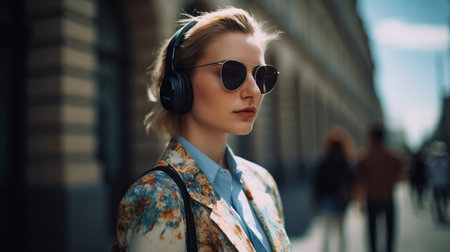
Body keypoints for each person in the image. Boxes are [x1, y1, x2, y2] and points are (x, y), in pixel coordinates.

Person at [111, 7, 291, 252]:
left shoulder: (263, 182)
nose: (255, 91)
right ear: (180, 85)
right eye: (231, 72)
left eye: (261, 75)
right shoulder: (157, 197)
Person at [355, 124, 404, 252]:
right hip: (388, 197)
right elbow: (402, 176)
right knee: (390, 230)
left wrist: (360, 201)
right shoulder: (392, 156)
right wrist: (390, 182)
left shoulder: (365, 157)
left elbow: (360, 181)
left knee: (372, 232)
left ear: (371, 138)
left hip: (371, 198)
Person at [313, 125, 354, 252]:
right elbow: (351, 179)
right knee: (341, 232)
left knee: (327, 231)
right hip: (341, 199)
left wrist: (316, 197)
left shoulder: (323, 159)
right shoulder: (345, 160)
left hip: (327, 199)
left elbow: (317, 180)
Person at [426, 141, 449, 223]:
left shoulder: (446, 158)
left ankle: (444, 212)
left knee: (445, 201)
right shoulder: (431, 159)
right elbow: (428, 172)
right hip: (435, 184)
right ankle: (440, 214)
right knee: (437, 201)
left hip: (445, 184)